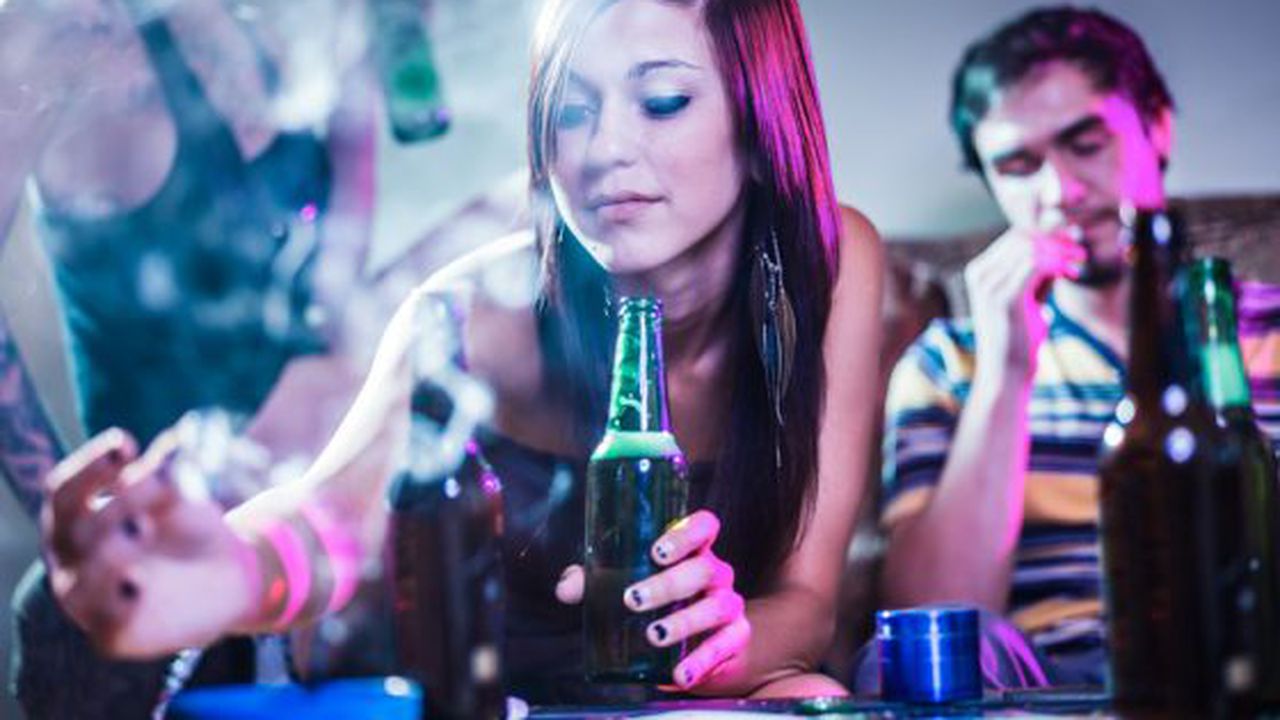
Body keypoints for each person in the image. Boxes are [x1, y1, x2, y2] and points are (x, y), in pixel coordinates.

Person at [38, 0, 885, 706]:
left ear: (759, 105)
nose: (601, 151)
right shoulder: (473, 311)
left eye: (661, 101)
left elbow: (806, 602)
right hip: (471, 697)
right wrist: (226, 575)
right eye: (571, 110)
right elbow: (325, 519)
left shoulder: (831, 266)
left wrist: (703, 647)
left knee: (812, 699)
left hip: (692, 697)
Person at [0, 0, 403, 716]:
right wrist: (64, 514)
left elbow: (341, 249)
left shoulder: (276, 21)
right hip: (159, 576)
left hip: (313, 534)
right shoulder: (60, 29)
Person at [876, 5, 1280, 687]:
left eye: (1086, 144)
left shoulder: (1268, 334)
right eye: (1017, 165)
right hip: (1045, 684)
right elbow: (932, 628)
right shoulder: (947, 363)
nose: (1059, 192)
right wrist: (1006, 372)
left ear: (1157, 125)